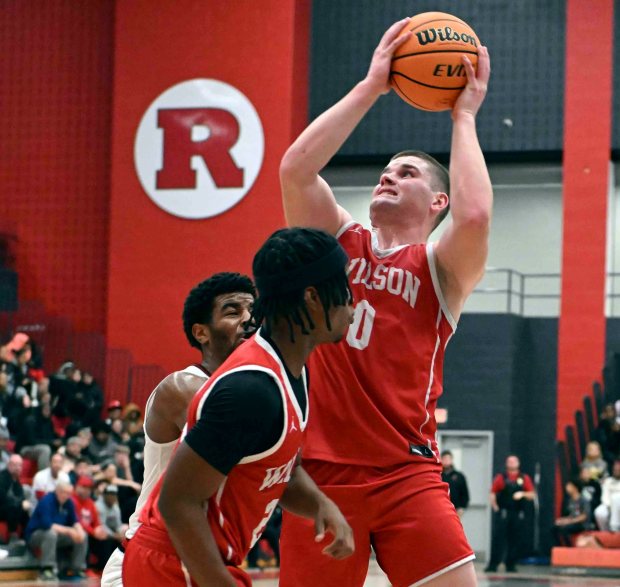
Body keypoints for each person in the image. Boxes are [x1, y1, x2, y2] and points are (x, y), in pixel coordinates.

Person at [277, 17, 491, 587]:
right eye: (383, 171)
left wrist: (463, 117)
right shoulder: (336, 243)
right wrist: (373, 85)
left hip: (407, 472)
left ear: (437, 198)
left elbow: (474, 216)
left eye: (407, 172)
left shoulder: (441, 269)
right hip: (320, 474)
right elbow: (296, 169)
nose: (387, 177)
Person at [124, 227, 355, 586]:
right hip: (174, 561)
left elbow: (282, 470)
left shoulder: (291, 370)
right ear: (312, 297)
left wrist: (322, 505)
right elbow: (177, 502)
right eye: (345, 291)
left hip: (201, 556)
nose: (352, 306)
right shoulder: (249, 391)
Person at [101, 272, 257, 586]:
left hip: (201, 560)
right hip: (148, 562)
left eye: (253, 311)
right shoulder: (183, 388)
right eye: (232, 311)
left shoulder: (254, 392)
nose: (249, 320)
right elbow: (252, 439)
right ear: (201, 332)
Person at [25, 481, 87, 581]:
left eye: (68, 493)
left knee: (83, 535)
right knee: (50, 534)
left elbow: (75, 521)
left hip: (58, 535)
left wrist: (79, 531)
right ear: (57, 491)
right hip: (35, 535)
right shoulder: (46, 501)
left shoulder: (68, 502)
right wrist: (69, 531)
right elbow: (47, 525)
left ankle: (78, 568)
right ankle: (47, 569)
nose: (66, 495)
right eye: (64, 492)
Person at [486, 455, 536, 573]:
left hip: (517, 513)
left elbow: (532, 494)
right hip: (503, 512)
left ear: (518, 463)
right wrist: (495, 506)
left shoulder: (524, 478)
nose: (512, 463)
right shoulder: (501, 477)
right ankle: (493, 564)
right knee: (498, 539)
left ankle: (510, 564)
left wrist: (522, 494)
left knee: (515, 539)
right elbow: (493, 492)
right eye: (510, 461)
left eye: (514, 461)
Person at [0, 454, 31, 543]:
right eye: (15, 465)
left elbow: (21, 496)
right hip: (2, 508)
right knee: (15, 507)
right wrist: (20, 503)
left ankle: (27, 537)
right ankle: (12, 536)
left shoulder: (16, 480)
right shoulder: (2, 478)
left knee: (25, 510)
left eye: (20, 465)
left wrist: (23, 502)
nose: (18, 468)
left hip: (9, 509)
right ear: (9, 465)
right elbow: (2, 498)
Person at [552, 479, 589, 546]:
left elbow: (584, 516)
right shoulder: (570, 501)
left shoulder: (583, 500)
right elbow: (571, 515)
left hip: (581, 524)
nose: (567, 488)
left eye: (569, 486)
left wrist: (569, 521)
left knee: (564, 529)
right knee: (554, 528)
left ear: (575, 488)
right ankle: (559, 546)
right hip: (572, 522)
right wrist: (563, 520)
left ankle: (569, 548)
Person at [441, 450, 470, 518]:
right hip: (440, 509)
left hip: (455, 510)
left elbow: (465, 493)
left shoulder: (459, 476)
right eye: (444, 459)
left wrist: (462, 508)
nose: (446, 461)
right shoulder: (437, 475)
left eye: (448, 459)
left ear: (452, 460)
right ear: (441, 460)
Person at [594, 459, 620, 531]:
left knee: (616, 497)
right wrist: (609, 505)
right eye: (615, 470)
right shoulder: (608, 481)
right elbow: (604, 496)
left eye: (618, 470)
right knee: (599, 512)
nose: (616, 471)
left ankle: (614, 527)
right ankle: (605, 531)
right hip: (609, 505)